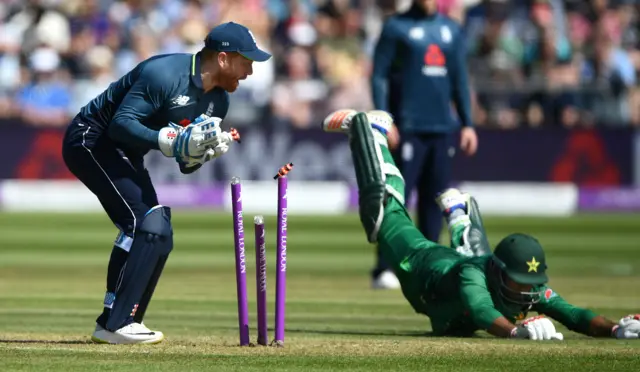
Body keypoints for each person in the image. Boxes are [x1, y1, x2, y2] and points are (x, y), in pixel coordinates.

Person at [322, 109, 640, 339]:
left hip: (449, 295)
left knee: (472, 255)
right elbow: (482, 312)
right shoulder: (473, 275)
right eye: (519, 281)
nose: (528, 291)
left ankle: (461, 214)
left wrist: (615, 329)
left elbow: (574, 315)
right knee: (382, 214)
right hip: (420, 266)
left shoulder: (530, 287)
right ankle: (371, 130)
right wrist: (516, 332)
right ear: (501, 271)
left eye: (531, 283)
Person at [61, 22, 271, 344]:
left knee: (160, 232)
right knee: (147, 223)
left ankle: (117, 321)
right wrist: (170, 141)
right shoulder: (165, 74)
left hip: (127, 152)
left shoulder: (218, 103)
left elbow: (184, 164)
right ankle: (116, 324)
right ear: (224, 58)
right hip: (90, 139)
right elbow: (120, 124)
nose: (250, 72)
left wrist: (201, 154)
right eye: (247, 62)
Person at [369, 0, 478, 289]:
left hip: (442, 127)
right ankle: (385, 268)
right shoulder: (396, 27)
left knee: (436, 200)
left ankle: (430, 267)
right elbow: (379, 74)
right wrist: (385, 118)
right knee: (397, 200)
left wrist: (467, 123)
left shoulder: (450, 30)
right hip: (407, 127)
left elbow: (459, 79)